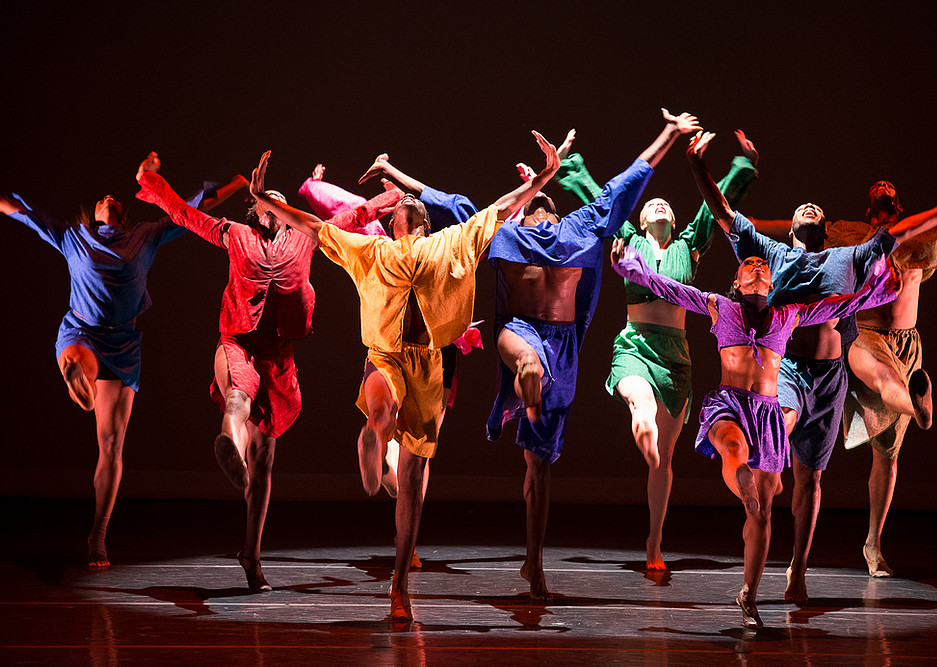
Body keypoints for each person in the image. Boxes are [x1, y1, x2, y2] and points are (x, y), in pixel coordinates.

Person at [247, 132, 560, 622]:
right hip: (385, 355)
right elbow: (313, 226)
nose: (408, 203)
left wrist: (543, 177)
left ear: (421, 220)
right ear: (392, 221)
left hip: (429, 369)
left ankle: (399, 585)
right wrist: (265, 201)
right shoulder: (372, 251)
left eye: (414, 204)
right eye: (402, 205)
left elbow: (500, 208)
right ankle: (374, 436)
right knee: (381, 404)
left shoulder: (449, 243)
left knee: (413, 483)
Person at [686, 131, 937, 599]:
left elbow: (899, 233)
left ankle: (797, 571)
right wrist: (697, 164)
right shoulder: (772, 255)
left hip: (832, 377)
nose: (810, 209)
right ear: (793, 227)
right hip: (790, 369)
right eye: (802, 209)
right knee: (784, 421)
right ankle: (754, 489)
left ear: (825, 228)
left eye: (817, 210)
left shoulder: (846, 257)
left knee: (812, 479)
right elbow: (723, 215)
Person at [134, 153, 400, 592]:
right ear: (255, 210)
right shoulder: (235, 233)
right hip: (236, 342)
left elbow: (358, 214)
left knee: (265, 465)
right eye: (266, 201)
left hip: (278, 357)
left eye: (281, 201)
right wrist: (151, 182)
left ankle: (250, 554)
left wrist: (396, 193)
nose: (275, 205)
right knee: (238, 394)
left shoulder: (306, 237)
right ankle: (230, 448)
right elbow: (186, 214)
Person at [611, 236, 900, 629]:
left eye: (762, 266)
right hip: (729, 405)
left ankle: (748, 592)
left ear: (770, 282)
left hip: (765, 413)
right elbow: (676, 290)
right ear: (739, 281)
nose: (758, 267)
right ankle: (741, 478)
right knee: (733, 447)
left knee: (762, 514)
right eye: (748, 265)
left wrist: (873, 292)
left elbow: (839, 306)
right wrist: (637, 271)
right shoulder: (721, 308)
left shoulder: (788, 314)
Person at [486, 109, 700, 600]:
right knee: (526, 362)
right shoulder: (504, 232)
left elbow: (626, 184)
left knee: (537, 468)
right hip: (518, 333)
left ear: (557, 214)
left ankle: (533, 563)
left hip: (561, 346)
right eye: (531, 203)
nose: (539, 206)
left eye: (545, 201)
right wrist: (539, 177)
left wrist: (667, 132)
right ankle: (527, 381)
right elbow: (458, 214)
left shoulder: (576, 230)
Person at [1, 157, 242, 569]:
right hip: (81, 333)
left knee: (111, 444)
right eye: (102, 198)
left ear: (124, 217)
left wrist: (238, 182)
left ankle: (98, 533)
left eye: (114, 198)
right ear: (94, 215)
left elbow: (190, 210)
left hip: (124, 344)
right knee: (80, 360)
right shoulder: (73, 236)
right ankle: (78, 377)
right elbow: (21, 211)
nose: (109, 198)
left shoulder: (146, 236)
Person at [550, 129, 758, 570]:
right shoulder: (631, 237)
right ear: (641, 222)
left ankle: (654, 543)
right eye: (651, 205)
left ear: (675, 221)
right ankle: (640, 417)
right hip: (635, 344)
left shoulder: (690, 245)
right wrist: (569, 164)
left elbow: (717, 206)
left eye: (666, 205)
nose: (659, 205)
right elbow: (602, 197)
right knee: (638, 399)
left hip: (675, 356)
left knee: (662, 462)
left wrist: (742, 166)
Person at [820, 180, 937, 577]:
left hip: (907, 347)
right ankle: (921, 411)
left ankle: (873, 543)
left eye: (889, 186)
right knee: (883, 378)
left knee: (887, 455)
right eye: (875, 187)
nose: (882, 186)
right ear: (870, 208)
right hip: (863, 336)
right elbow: (788, 228)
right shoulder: (852, 235)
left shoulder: (930, 235)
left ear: (898, 203)